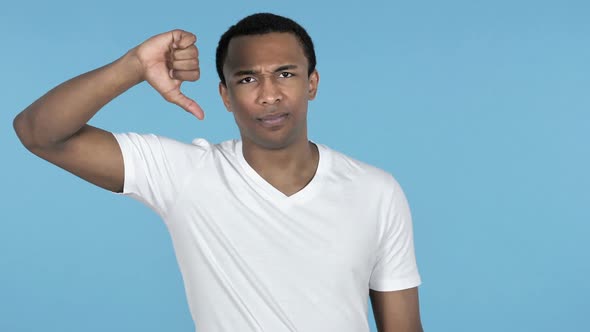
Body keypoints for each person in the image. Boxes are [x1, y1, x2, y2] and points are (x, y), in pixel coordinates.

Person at [13, 13, 423, 332]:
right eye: (248, 78)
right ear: (225, 95)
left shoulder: (375, 191)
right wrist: (134, 66)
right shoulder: (185, 174)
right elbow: (39, 133)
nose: (269, 94)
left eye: (285, 73)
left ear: (311, 83)